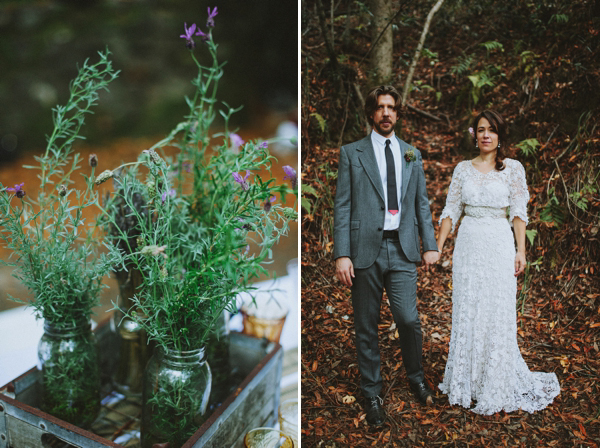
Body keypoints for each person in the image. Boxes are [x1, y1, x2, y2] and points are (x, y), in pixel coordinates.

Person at [436, 109, 560, 415]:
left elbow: (519, 213)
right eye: (480, 129)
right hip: (468, 245)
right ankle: (468, 380)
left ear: (499, 135)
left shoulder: (513, 169)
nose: (485, 135)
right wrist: (438, 247)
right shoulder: (462, 169)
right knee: (468, 307)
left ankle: (494, 381)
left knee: (495, 310)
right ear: (474, 135)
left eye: (491, 130)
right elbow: (451, 210)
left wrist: (521, 251)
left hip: (498, 243)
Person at [333, 85, 440, 427]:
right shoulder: (352, 153)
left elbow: (421, 202)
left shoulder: (412, 153)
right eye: (380, 107)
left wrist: (430, 243)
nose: (386, 113)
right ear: (371, 113)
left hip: (403, 248)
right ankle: (372, 394)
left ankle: (415, 376)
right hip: (365, 250)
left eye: (391, 107)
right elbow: (343, 205)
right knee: (366, 325)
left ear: (398, 113)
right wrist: (342, 254)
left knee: (408, 319)